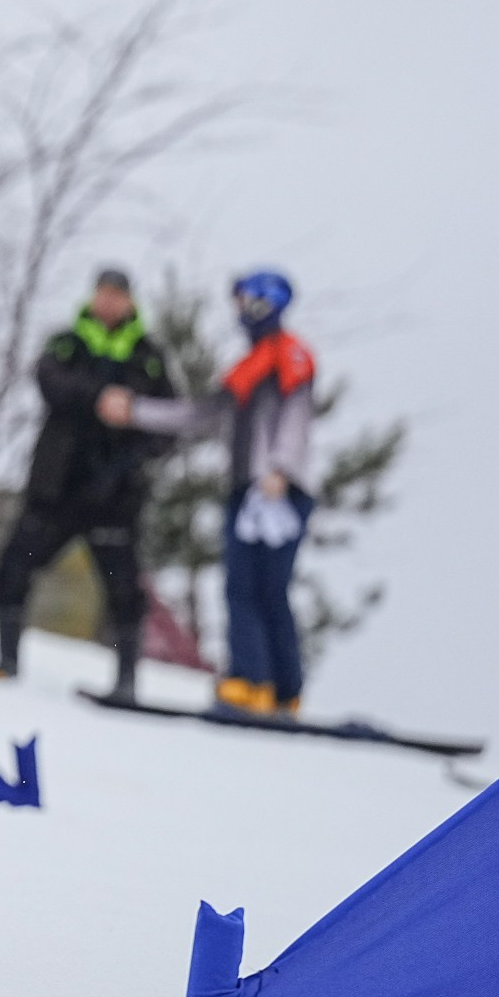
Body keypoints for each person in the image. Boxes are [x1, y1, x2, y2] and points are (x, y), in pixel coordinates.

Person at [103, 270, 316, 717]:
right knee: (245, 586)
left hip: (274, 493)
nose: (239, 312)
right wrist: (139, 411)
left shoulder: (288, 356)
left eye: (244, 302)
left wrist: (280, 468)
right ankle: (259, 684)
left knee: (264, 589)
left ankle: (267, 685)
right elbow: (202, 416)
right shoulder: (250, 364)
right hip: (248, 492)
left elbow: (295, 417)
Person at [0, 268, 178, 701]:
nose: (109, 303)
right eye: (103, 294)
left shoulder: (148, 356)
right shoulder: (66, 344)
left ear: (130, 302)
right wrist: (99, 398)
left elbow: (170, 422)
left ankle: (126, 681)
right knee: (12, 569)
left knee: (125, 590)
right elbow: (49, 382)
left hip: (116, 496)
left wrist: (138, 440)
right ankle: (7, 661)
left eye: (117, 296)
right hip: (57, 490)